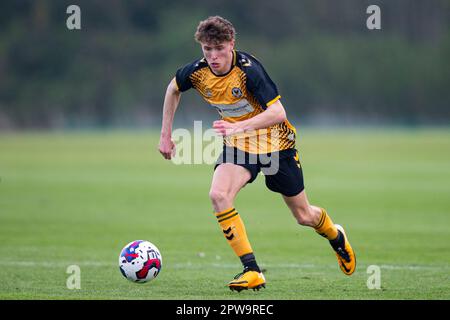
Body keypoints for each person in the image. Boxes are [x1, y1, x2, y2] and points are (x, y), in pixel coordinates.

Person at [158, 16, 356, 292]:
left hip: (278, 145)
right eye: (207, 50)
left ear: (231, 44)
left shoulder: (249, 70)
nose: (213, 57)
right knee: (218, 195)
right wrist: (166, 134)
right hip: (240, 146)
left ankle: (336, 236)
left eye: (219, 49)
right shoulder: (197, 71)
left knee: (303, 216)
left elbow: (278, 113)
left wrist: (238, 126)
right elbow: (173, 88)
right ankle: (252, 270)